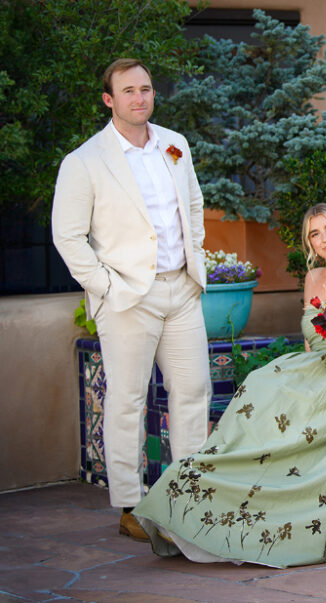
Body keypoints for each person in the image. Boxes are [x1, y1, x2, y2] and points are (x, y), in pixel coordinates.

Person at [133, 204, 326, 566]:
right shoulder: (312, 279)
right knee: (261, 387)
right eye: (314, 234)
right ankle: (199, 501)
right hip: (314, 372)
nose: (324, 239)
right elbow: (310, 342)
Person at [52, 58, 212, 541]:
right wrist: (107, 286)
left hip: (181, 289)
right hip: (126, 296)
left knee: (193, 393)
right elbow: (68, 237)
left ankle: (186, 497)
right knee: (126, 401)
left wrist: (195, 262)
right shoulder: (84, 161)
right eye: (128, 91)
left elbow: (194, 205)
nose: (139, 98)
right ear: (109, 99)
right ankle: (128, 505)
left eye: (145, 89)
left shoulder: (174, 144)